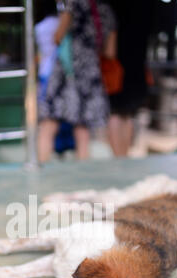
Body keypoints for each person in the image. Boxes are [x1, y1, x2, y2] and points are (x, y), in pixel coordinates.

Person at [38, 0, 117, 163]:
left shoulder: (73, 3)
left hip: (67, 71)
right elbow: (110, 52)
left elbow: (58, 37)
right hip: (90, 71)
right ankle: (83, 180)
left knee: (49, 123)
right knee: (83, 130)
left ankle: (39, 174)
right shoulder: (106, 9)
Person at [107, 0, 156, 157]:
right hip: (137, 68)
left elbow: (110, 50)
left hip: (118, 69)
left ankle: (118, 158)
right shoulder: (143, 9)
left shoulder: (114, 10)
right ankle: (124, 157)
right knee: (127, 114)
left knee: (115, 113)